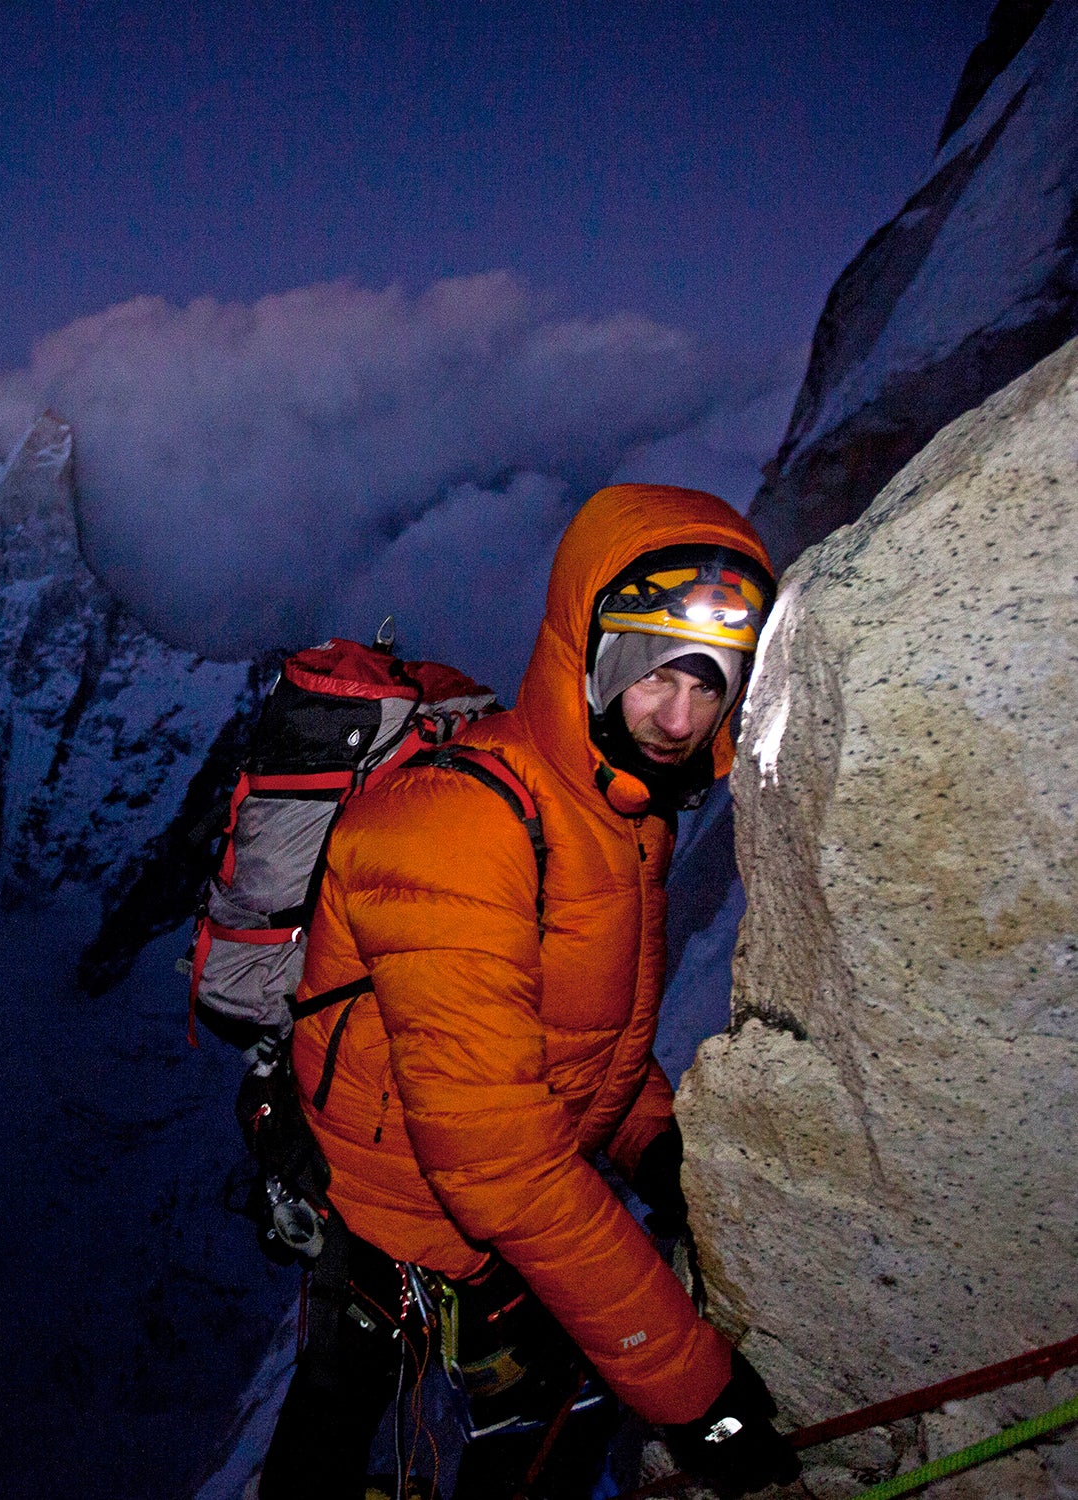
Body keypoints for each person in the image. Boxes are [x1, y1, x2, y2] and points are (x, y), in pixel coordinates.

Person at [258, 484, 802, 1500]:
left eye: (712, 685)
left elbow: (578, 1033)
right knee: (389, 1431)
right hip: (399, 1212)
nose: (680, 718)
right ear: (581, 652)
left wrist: (654, 1140)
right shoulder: (464, 830)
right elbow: (499, 1161)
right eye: (650, 675)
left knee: (482, 1418)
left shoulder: (625, 812)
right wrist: (696, 1395)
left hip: (482, 1201)